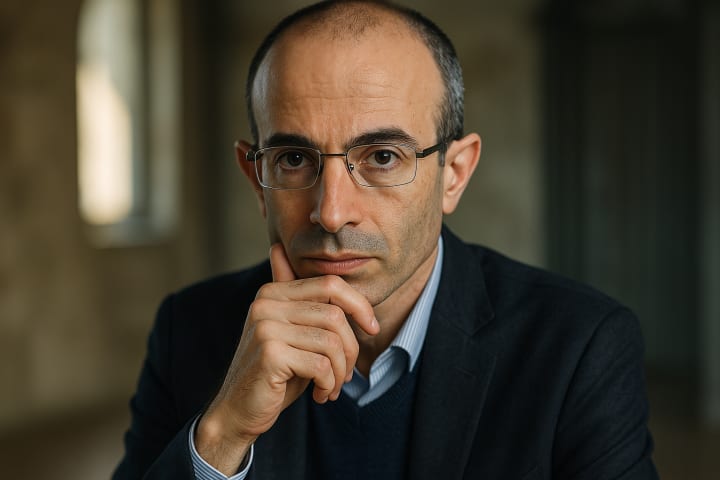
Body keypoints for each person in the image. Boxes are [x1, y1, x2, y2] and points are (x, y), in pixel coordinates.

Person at [113, 1, 659, 479]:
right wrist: (222, 436)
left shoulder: (579, 346)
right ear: (258, 180)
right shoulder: (189, 330)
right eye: (294, 159)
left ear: (454, 174)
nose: (331, 213)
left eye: (381, 157)